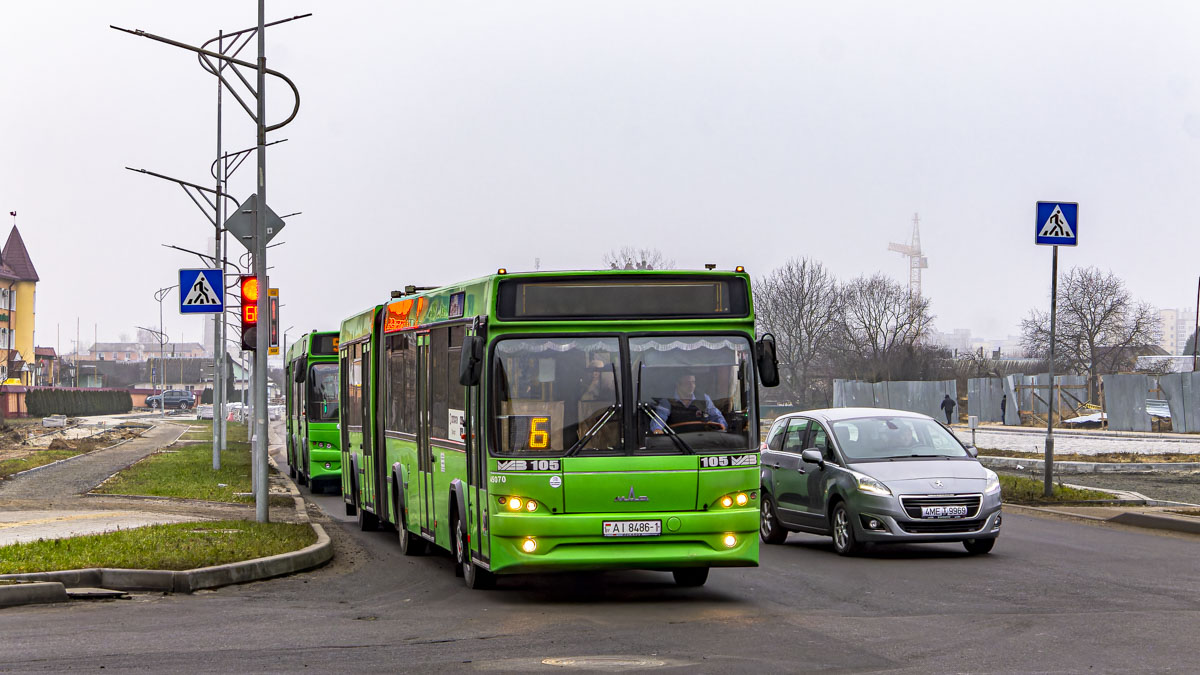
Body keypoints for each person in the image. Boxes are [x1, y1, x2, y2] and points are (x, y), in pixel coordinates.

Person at [651, 373, 726, 433]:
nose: (691, 386)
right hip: (676, 442)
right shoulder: (668, 401)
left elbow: (716, 416)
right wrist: (657, 429)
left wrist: (722, 425)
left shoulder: (704, 398)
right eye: (687, 383)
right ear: (678, 384)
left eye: (693, 382)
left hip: (702, 440)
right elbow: (659, 418)